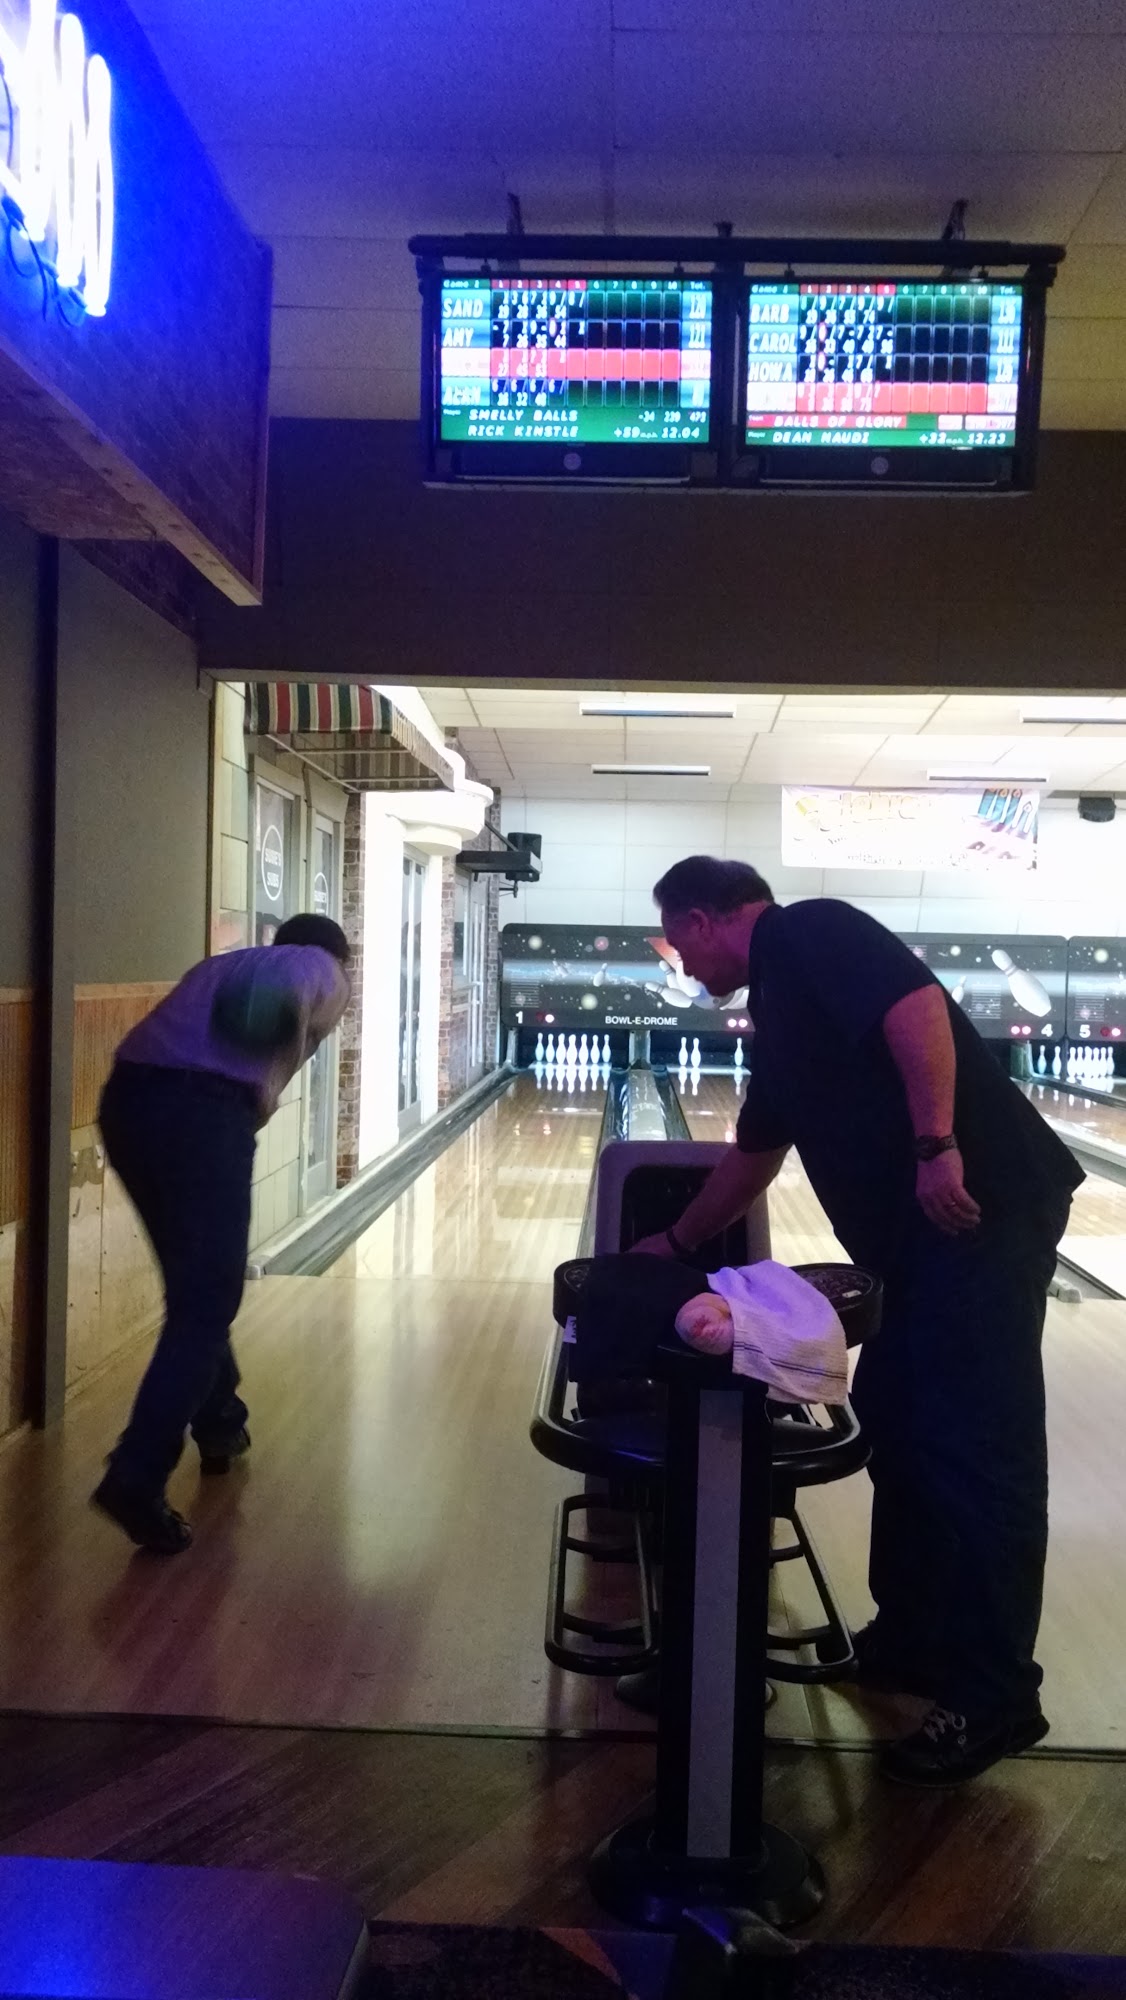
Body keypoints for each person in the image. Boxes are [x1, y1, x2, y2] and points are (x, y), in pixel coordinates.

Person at [632, 856, 1083, 1787]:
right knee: (902, 1433)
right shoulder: (780, 1011)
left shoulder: (811, 930)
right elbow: (755, 1152)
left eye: (678, 943)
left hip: (979, 1220)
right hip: (922, 1250)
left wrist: (937, 1147)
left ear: (705, 918)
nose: (682, 962)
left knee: (976, 1452)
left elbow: (915, 1009)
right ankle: (913, 1639)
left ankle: (995, 1694)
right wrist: (675, 1241)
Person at [91, 914, 352, 1555]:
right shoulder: (320, 967)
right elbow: (291, 986)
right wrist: (275, 1013)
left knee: (196, 1292)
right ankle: (136, 1474)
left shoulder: (220, 964)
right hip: (205, 1115)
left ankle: (220, 1422)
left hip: (126, 1102)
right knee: (207, 1302)